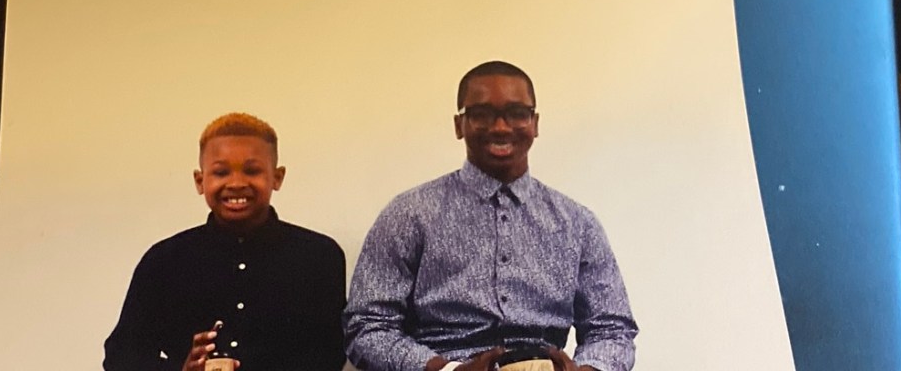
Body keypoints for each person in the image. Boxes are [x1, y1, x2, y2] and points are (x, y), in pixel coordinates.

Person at [343, 61, 638, 371]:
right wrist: (446, 370)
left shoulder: (577, 223)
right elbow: (367, 328)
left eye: (516, 113)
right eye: (482, 114)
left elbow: (612, 329)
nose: (500, 127)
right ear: (459, 125)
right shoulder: (408, 215)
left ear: (535, 123)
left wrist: (588, 369)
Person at [104, 113, 347, 371]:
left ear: (277, 177)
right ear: (200, 181)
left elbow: (331, 353)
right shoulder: (164, 261)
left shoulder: (318, 257)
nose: (236, 183)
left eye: (252, 171)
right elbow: (121, 357)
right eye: (221, 172)